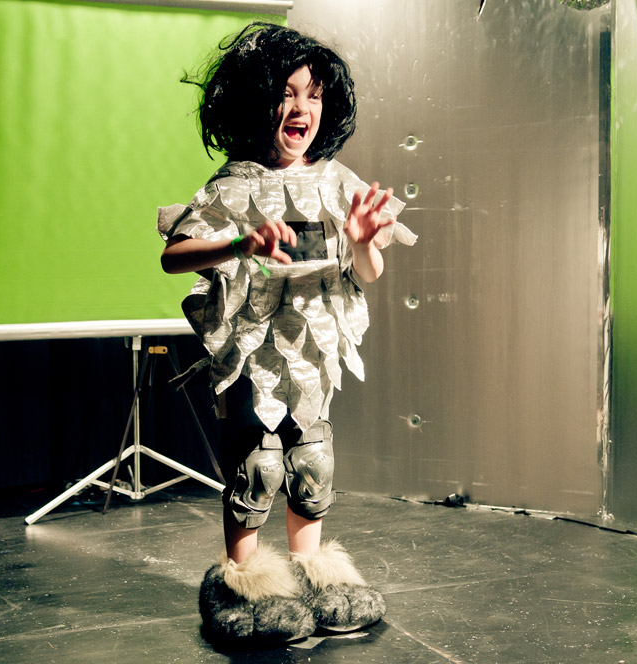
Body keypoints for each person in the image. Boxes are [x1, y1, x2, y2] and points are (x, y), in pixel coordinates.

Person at [157, 22, 416, 646]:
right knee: (258, 464)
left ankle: (311, 571)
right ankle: (245, 580)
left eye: (315, 95)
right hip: (253, 350)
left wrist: (362, 242)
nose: (302, 108)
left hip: (314, 347)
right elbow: (174, 256)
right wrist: (239, 243)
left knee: (312, 460)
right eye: (288, 93)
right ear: (257, 100)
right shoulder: (234, 184)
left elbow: (369, 272)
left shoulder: (336, 181)